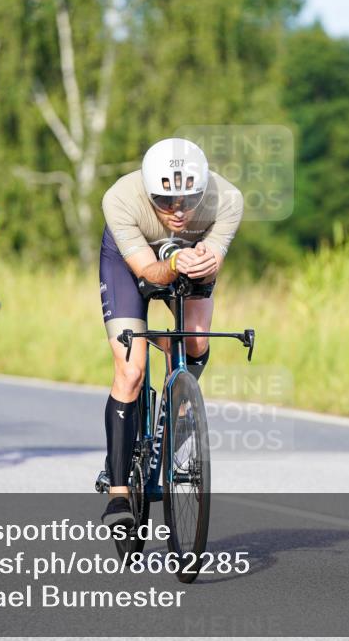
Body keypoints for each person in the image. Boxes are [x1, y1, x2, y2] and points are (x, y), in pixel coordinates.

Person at [97, 138, 243, 525]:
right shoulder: (120, 198)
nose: (177, 212)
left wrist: (202, 263)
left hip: (187, 260)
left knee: (194, 340)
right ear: (148, 191)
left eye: (188, 200)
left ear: (203, 189)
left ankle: (179, 405)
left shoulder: (227, 199)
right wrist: (176, 262)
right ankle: (118, 494)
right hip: (130, 264)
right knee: (131, 370)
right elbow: (148, 273)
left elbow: (210, 266)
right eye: (164, 201)